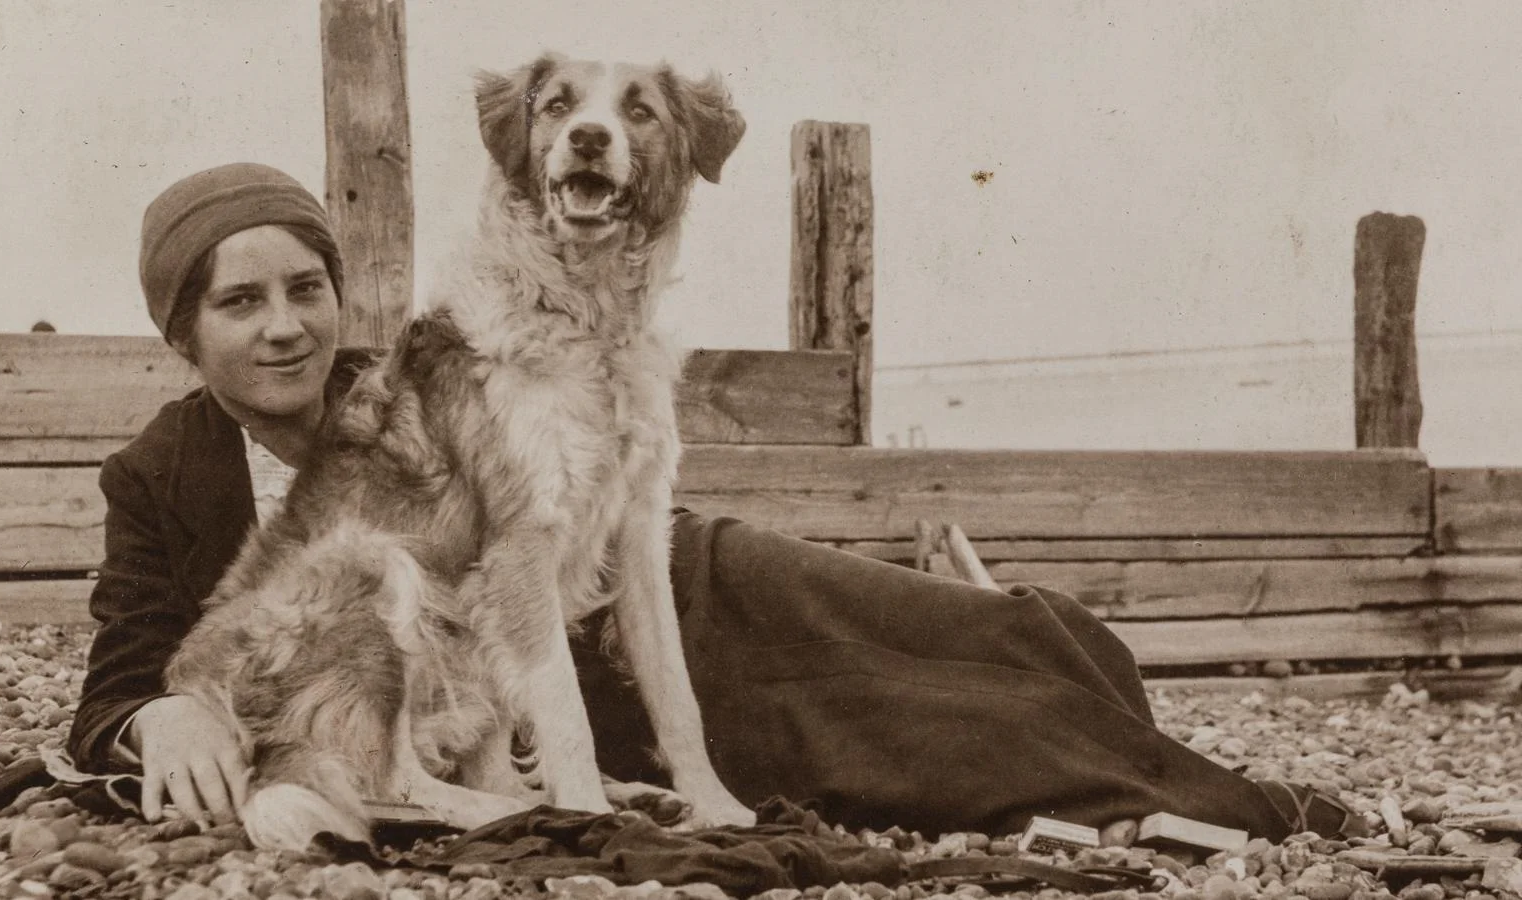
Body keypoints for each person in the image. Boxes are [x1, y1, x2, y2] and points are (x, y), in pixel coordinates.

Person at [69, 162, 1361, 843]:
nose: (287, 325)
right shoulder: (165, 478)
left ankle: (1098, 693)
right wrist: (157, 712)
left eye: (306, 286)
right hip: (581, 699)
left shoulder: (417, 372)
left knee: (981, 630)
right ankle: (1192, 793)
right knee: (902, 746)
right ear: (183, 333)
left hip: (669, 583)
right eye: (240, 302)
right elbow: (120, 675)